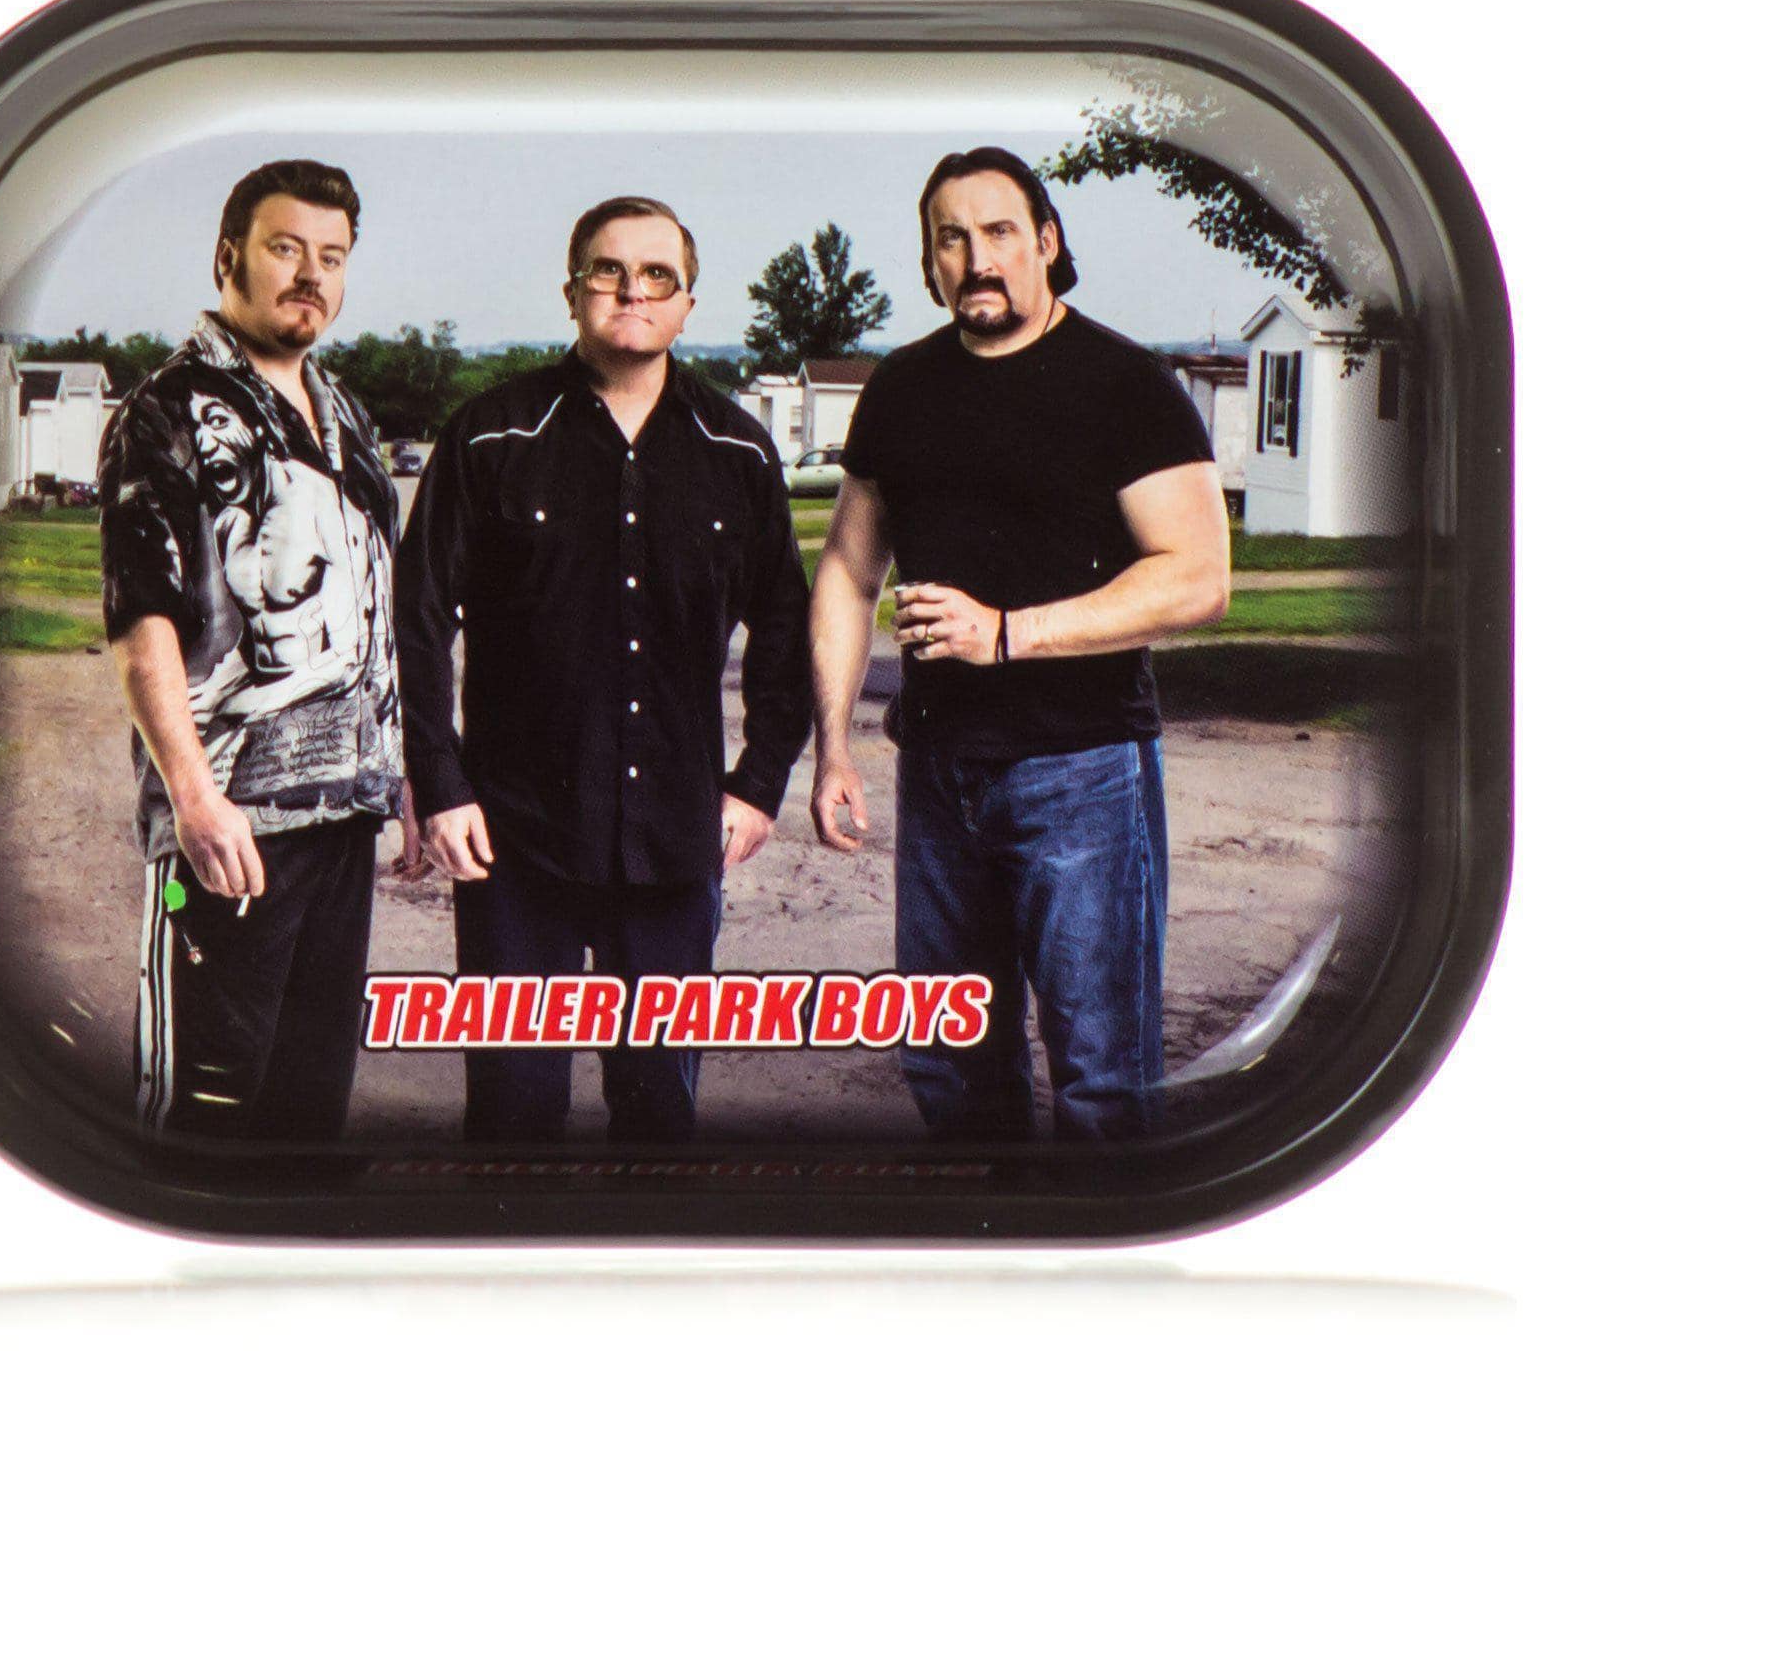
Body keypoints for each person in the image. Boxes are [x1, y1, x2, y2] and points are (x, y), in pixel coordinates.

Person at [809, 146, 1229, 1140]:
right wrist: (832, 742)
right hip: (939, 773)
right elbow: (845, 570)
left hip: (1081, 770)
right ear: (927, 265)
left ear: (1046, 243)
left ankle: (1098, 1285)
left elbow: (1198, 577)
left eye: (999, 232)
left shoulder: (1124, 383)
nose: (976, 257)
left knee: (1098, 1079)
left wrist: (1006, 634)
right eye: (948, 239)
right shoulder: (901, 387)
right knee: (949, 1067)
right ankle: (982, 1278)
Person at [394, 196, 813, 1143]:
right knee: (512, 1113)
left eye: (657, 273)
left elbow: (784, 629)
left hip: (673, 843)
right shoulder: (490, 435)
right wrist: (441, 780)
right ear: (572, 289)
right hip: (513, 841)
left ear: (688, 302)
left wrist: (758, 782)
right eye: (608, 270)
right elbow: (416, 619)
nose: (632, 290)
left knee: (660, 1113)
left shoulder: (738, 451)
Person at [98, 157, 402, 1140]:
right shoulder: (171, 409)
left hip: (344, 814)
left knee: (310, 1109)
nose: (310, 274)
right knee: (210, 1108)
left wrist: (390, 782)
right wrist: (192, 797)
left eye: (332, 256)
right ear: (229, 256)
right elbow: (142, 616)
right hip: (235, 824)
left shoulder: (347, 416)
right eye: (285, 249)